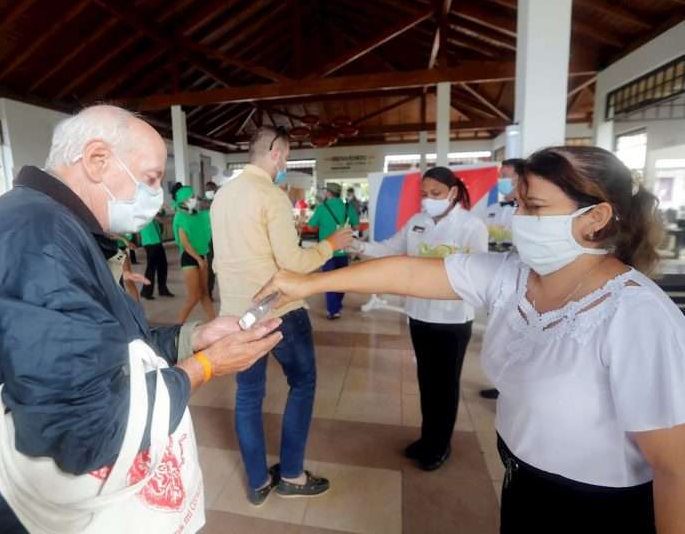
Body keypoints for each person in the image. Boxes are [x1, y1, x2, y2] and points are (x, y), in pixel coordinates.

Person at [259, 146, 685, 533]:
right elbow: (407, 271)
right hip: (522, 482)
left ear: (595, 218)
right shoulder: (512, 276)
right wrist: (306, 284)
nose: (519, 219)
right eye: (518, 204)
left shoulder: (637, 316)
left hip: (596, 508)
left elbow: (675, 467)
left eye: (534, 207)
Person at [0, 105, 285, 533]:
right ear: (98, 160)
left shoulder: (43, 222)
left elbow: (102, 348)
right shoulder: (39, 244)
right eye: (151, 178)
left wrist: (193, 338)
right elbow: (88, 430)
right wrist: (206, 366)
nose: (155, 198)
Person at [210, 126, 352, 506]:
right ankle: (291, 474)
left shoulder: (222, 196)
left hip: (237, 314)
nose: (286, 163)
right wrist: (330, 245)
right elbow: (292, 263)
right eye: (286, 155)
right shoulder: (270, 195)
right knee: (302, 385)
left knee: (247, 397)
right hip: (281, 311)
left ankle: (257, 483)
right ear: (274, 151)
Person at [356, 167, 488, 470]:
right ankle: (427, 438)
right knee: (427, 381)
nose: (429, 200)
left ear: (453, 193)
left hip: (453, 319)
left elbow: (479, 274)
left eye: (436, 194)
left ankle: (441, 445)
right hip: (418, 313)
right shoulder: (417, 222)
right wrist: (356, 245)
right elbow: (389, 249)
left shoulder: (471, 226)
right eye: (425, 194)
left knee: (445, 385)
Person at [480, 158, 523, 400]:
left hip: (521, 277)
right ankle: (500, 382)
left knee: (517, 332)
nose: (502, 180)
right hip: (496, 275)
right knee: (498, 331)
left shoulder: (528, 210)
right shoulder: (492, 210)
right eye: (501, 175)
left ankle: (513, 384)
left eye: (507, 175)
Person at [308, 182, 360, 319]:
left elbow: (311, 227)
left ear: (328, 193)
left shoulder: (322, 208)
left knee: (328, 279)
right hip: (344, 249)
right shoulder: (348, 207)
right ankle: (337, 303)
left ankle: (333, 310)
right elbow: (356, 226)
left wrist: (324, 227)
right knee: (342, 279)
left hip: (328, 250)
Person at [173, 185, 216, 324]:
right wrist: (198, 259)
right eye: (191, 197)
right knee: (193, 297)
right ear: (183, 200)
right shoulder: (180, 217)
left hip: (201, 256)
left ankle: (214, 321)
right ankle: (177, 326)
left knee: (205, 295)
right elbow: (184, 243)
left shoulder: (196, 215)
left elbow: (210, 214)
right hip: (190, 258)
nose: (194, 199)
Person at [139, 210, 174, 300]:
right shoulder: (143, 213)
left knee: (162, 266)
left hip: (157, 241)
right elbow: (160, 219)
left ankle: (162, 289)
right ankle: (146, 292)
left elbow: (161, 215)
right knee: (151, 268)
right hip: (150, 242)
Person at [202, 180, 219, 300]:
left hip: (220, 240)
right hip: (208, 241)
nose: (209, 192)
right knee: (210, 269)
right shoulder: (202, 205)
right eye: (207, 190)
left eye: (211, 190)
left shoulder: (220, 202)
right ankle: (208, 292)